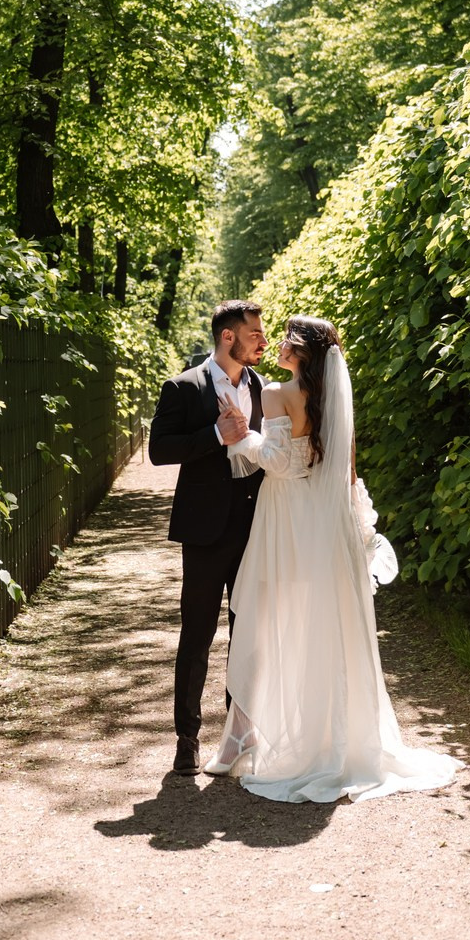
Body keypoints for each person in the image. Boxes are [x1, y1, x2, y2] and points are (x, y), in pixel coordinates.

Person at [205, 314, 461, 802]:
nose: (277, 344)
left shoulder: (275, 393)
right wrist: (361, 532)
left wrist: (242, 436)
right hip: (326, 521)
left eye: (286, 339)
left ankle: (243, 736)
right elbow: (347, 474)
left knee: (264, 621)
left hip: (285, 519)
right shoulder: (334, 399)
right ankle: (327, 737)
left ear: (302, 351)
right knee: (323, 627)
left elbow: (279, 463)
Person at [148, 300, 268, 775]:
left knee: (248, 633)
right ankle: (187, 739)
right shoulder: (183, 387)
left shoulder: (262, 387)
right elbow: (159, 450)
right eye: (255, 333)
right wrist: (215, 435)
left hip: (256, 527)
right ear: (227, 337)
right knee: (196, 634)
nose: (262, 341)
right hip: (204, 530)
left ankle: (237, 736)